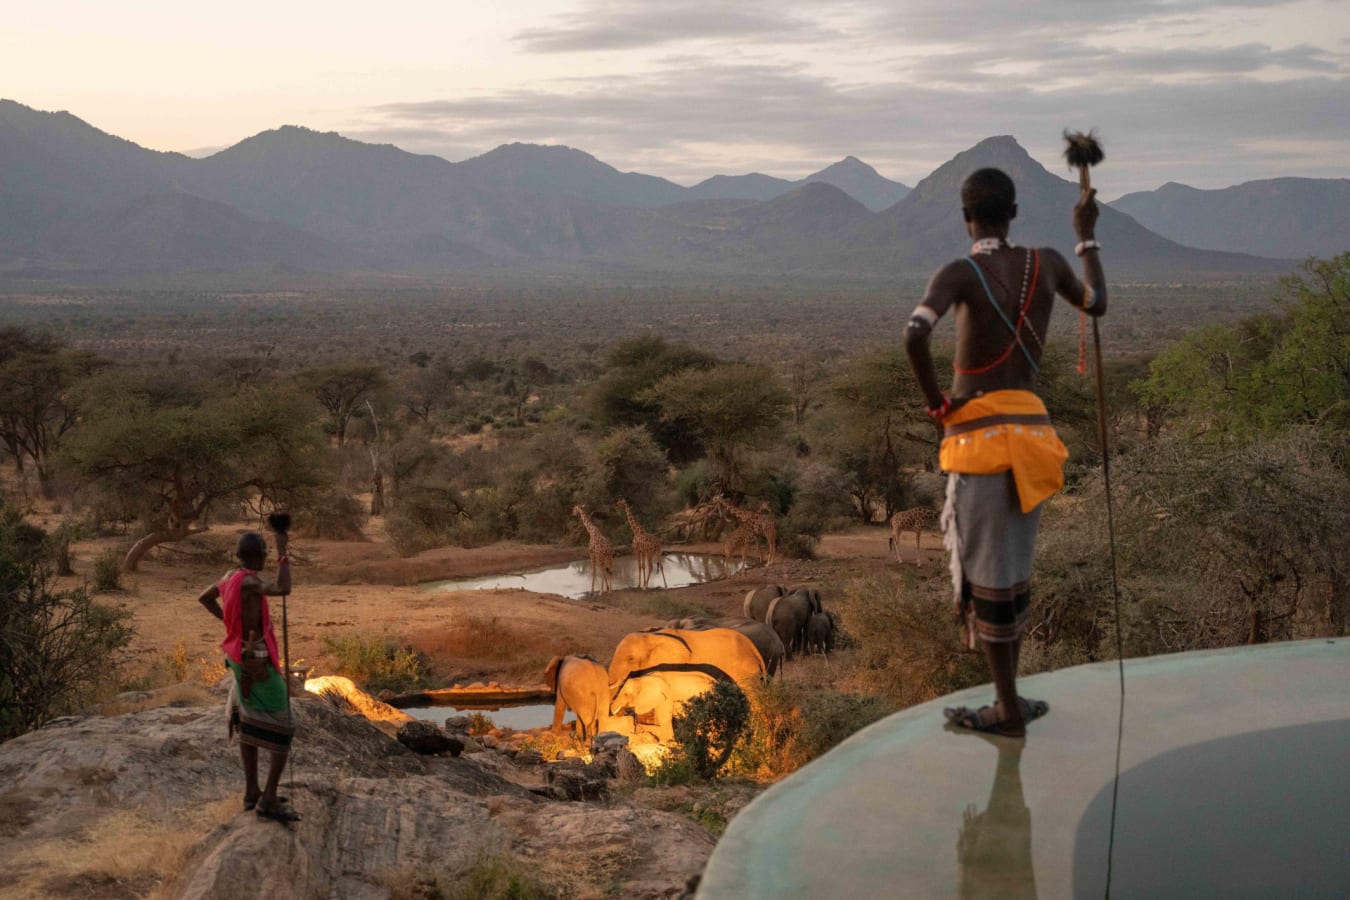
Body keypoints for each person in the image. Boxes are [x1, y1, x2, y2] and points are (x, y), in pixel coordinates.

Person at [904, 168, 1107, 736]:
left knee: (988, 580)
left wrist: (937, 403)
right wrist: (1085, 235)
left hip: (980, 448)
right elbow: (1097, 304)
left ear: (967, 218)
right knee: (1013, 574)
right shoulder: (1050, 263)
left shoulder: (958, 273)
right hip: (1036, 444)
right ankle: (1011, 700)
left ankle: (1008, 711)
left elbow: (915, 334)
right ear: (1013, 213)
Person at [197, 528, 299, 822]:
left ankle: (251, 792)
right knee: (285, 723)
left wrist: (233, 629)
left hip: (238, 656)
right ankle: (267, 799)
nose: (267, 555)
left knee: (249, 718)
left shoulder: (230, 577)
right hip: (255, 661)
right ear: (258, 555)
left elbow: (204, 598)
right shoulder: (251, 582)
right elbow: (283, 589)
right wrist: (283, 555)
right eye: (266, 552)